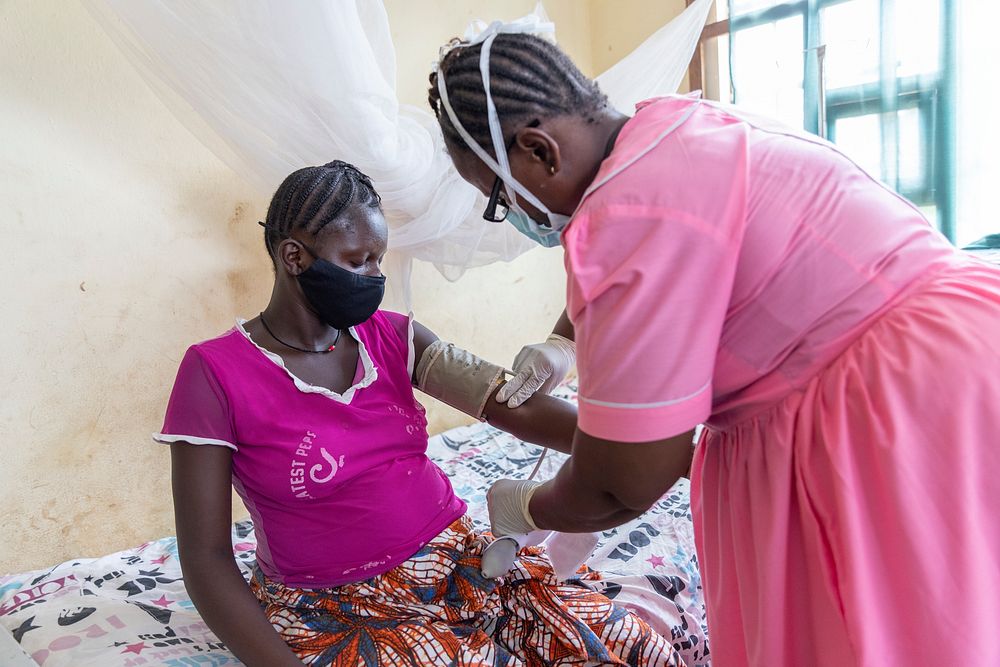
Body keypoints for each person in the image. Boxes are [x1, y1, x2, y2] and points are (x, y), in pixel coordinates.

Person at [427, 27, 1000, 666]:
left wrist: (524, 506)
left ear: (539, 151)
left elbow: (621, 483)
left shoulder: (620, 215)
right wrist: (564, 342)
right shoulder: (676, 125)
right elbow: (670, 251)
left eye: (499, 198)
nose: (514, 216)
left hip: (882, 411)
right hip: (962, 342)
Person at [155, 160, 682, 666]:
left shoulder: (394, 336)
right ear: (294, 257)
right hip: (343, 608)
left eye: (379, 259)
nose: (375, 276)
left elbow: (508, 405)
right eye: (358, 260)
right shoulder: (215, 373)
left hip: (464, 565)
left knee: (633, 648)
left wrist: (658, 448)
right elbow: (205, 559)